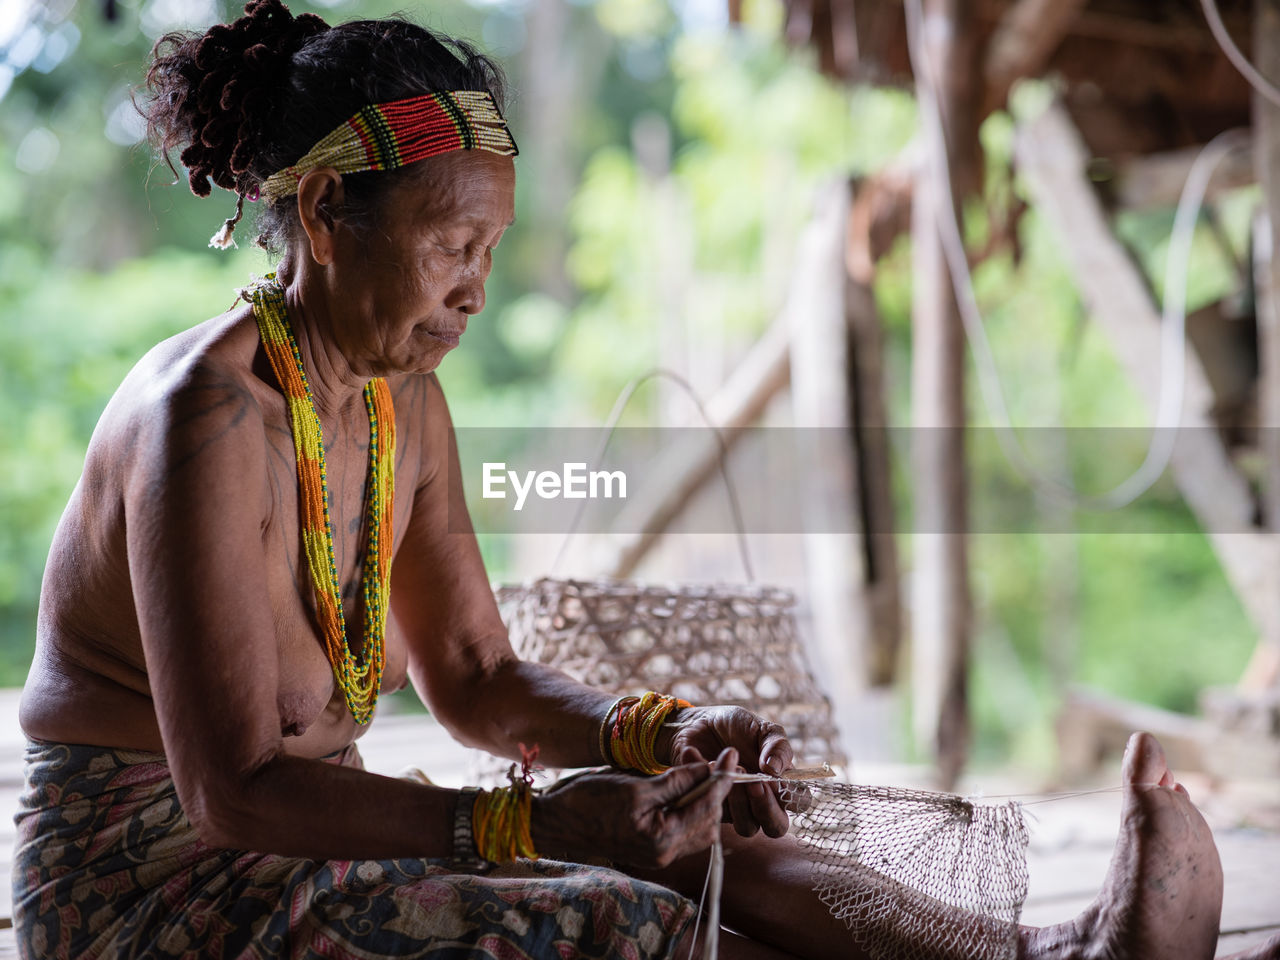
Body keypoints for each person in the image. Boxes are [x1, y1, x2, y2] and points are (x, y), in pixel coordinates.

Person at [11, 2, 1277, 958]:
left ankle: (1049, 951)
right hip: (152, 882)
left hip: (310, 834)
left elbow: (478, 681)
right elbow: (232, 791)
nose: (476, 287)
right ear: (333, 209)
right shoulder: (207, 421)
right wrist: (541, 830)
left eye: (490, 247)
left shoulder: (403, 403)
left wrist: (660, 734)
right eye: (451, 243)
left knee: (709, 847)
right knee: (619, 919)